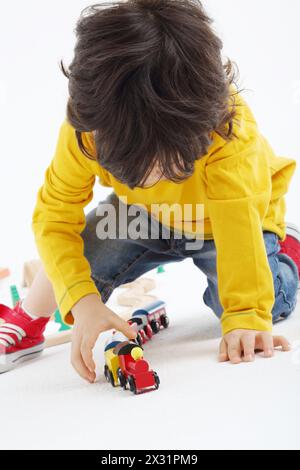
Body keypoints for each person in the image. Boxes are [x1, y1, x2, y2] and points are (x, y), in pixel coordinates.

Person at [0, 0, 299, 382]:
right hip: (140, 216)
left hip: (220, 224)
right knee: (71, 267)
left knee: (258, 307)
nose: (148, 180)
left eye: (161, 166)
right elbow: (55, 219)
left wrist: (245, 316)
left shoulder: (230, 134)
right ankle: (28, 319)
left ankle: (287, 250)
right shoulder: (88, 130)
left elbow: (239, 228)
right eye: (129, 166)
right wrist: (85, 301)